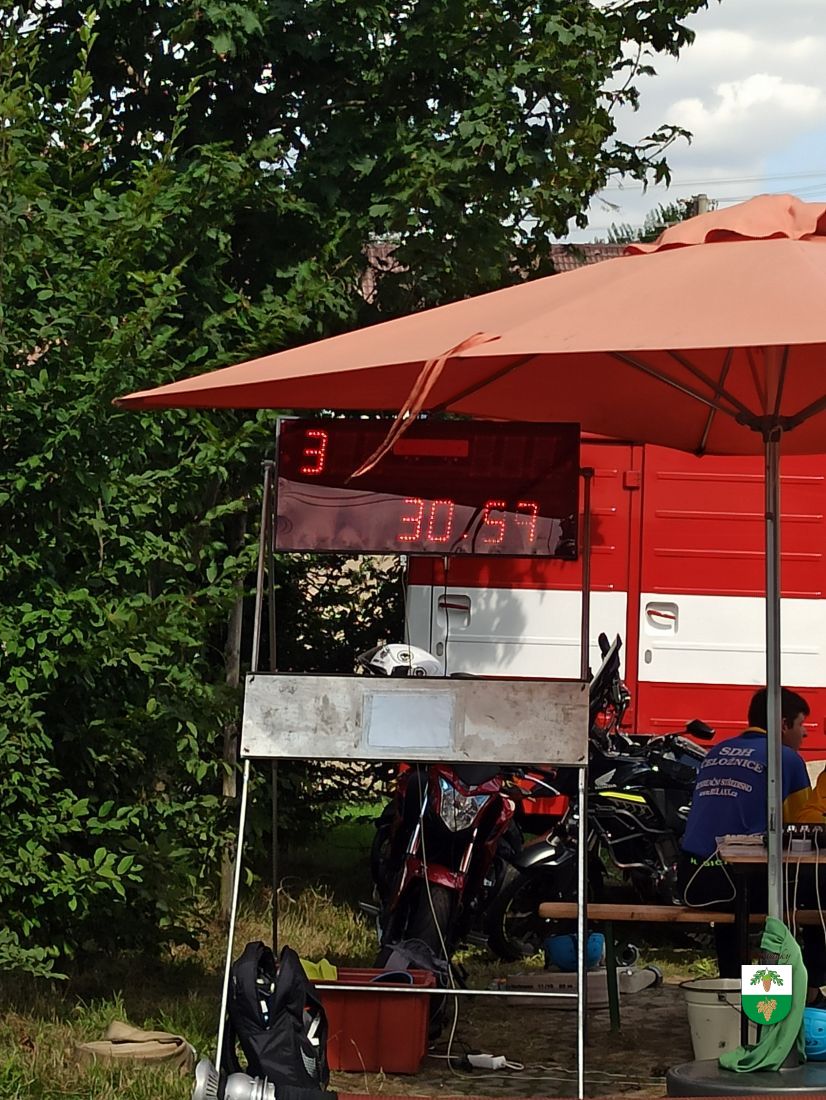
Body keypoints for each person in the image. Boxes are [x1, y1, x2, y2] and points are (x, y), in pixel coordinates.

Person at [678, 686, 826, 1004]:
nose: (804, 734)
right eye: (802, 724)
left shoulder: (717, 751)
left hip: (693, 881)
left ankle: (734, 986)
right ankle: (796, 995)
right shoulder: (786, 758)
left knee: (741, 906)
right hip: (738, 887)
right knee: (813, 891)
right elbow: (803, 831)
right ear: (783, 724)